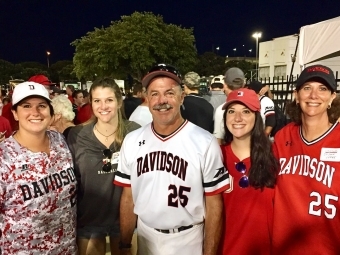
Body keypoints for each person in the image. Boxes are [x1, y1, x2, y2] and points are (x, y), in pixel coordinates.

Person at [114, 63, 230, 255]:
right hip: (145, 235)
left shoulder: (205, 142)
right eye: (154, 94)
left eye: (169, 93)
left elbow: (214, 204)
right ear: (147, 99)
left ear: (181, 96)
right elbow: (128, 196)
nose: (162, 100)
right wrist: (125, 243)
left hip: (188, 239)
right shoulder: (133, 140)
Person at [0, 81, 77, 254]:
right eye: (26, 106)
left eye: (41, 106)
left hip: (67, 249)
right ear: (15, 113)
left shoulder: (60, 141)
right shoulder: (4, 158)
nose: (35, 112)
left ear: (50, 112)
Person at [67, 77, 140, 255]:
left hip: (126, 222)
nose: (103, 106)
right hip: (89, 223)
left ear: (119, 102)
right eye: (97, 101)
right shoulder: (76, 136)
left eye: (109, 100)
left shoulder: (135, 132)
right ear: (90, 103)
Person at [272, 64, 340, 254]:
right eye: (307, 88)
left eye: (323, 89)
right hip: (284, 247)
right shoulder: (283, 136)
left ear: (332, 97)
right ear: (296, 95)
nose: (313, 96)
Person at [219, 88, 278, 255]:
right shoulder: (215, 156)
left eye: (246, 111)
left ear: (257, 118)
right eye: (231, 111)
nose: (238, 118)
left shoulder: (274, 155)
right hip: (224, 249)